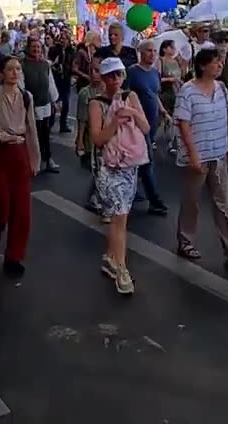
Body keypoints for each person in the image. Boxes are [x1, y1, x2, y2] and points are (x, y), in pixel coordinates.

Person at [174, 48, 228, 269]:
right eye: (215, 62)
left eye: (220, 62)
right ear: (202, 66)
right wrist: (193, 154)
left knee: (222, 202)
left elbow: (227, 117)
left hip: (218, 152)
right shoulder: (187, 91)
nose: (219, 65)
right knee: (192, 202)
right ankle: (185, 241)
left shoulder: (222, 89)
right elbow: (183, 124)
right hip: (196, 155)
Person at [89, 57, 149, 295]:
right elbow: (98, 139)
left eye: (118, 75)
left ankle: (111, 257)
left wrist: (132, 112)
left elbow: (145, 128)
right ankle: (121, 269)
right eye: (110, 76)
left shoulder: (130, 97)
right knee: (119, 217)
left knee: (120, 216)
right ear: (103, 79)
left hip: (129, 165)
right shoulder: (96, 103)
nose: (115, 80)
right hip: (109, 167)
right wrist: (114, 120)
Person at [0, 57, 40, 277]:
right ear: (2, 73)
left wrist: (35, 158)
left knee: (22, 210)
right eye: (10, 69)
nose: (15, 73)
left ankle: (15, 256)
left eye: (17, 69)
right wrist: (3, 137)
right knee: (1, 207)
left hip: (19, 153)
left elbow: (31, 128)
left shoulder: (26, 96)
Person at [123, 39, 169, 215]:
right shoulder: (132, 72)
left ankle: (130, 191)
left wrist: (163, 111)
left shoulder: (155, 73)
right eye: (149, 51)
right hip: (137, 125)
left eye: (154, 51)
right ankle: (155, 200)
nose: (152, 54)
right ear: (141, 52)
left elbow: (154, 94)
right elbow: (124, 95)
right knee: (147, 161)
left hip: (152, 123)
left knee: (139, 162)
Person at [21, 38, 61, 173]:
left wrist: (54, 100)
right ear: (28, 48)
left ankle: (48, 159)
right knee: (33, 134)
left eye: (38, 47)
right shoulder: (23, 65)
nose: (36, 49)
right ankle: (32, 162)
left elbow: (50, 82)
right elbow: (21, 85)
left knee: (45, 133)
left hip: (45, 103)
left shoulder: (45, 64)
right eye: (33, 47)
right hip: (31, 104)